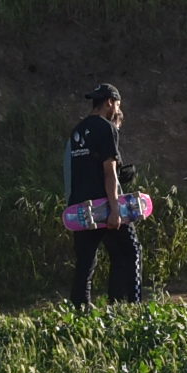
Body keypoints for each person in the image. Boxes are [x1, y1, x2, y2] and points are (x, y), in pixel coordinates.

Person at [66, 84, 141, 309]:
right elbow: (108, 172)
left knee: (87, 260)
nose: (117, 108)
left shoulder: (77, 130)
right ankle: (131, 305)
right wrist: (116, 209)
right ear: (109, 102)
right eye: (117, 104)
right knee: (131, 250)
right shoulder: (107, 128)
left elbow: (80, 170)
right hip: (104, 205)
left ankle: (81, 307)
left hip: (81, 206)